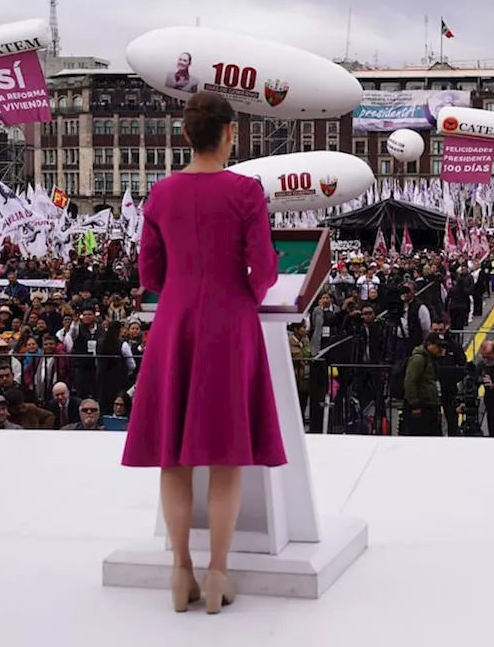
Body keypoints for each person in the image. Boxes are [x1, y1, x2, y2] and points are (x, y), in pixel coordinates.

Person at [121, 91, 287, 615]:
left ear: (186, 136)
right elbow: (263, 269)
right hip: (229, 322)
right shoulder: (245, 191)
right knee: (224, 457)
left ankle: (180, 573)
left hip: (174, 322)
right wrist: (242, 293)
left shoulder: (161, 194)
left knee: (172, 457)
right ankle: (217, 573)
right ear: (229, 134)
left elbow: (149, 273)